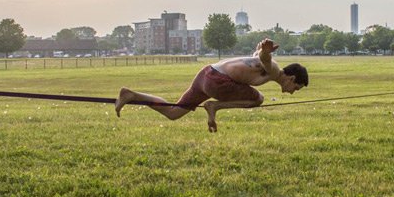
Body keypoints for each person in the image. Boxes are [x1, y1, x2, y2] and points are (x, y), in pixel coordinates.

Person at [115, 38, 308, 132]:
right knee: (258, 99)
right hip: (218, 82)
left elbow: (258, 56)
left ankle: (132, 95)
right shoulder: (274, 70)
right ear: (291, 79)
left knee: (173, 113)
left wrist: (261, 50)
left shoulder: (266, 68)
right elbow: (266, 60)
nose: (292, 92)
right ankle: (214, 106)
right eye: (296, 88)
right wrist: (266, 52)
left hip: (206, 74)